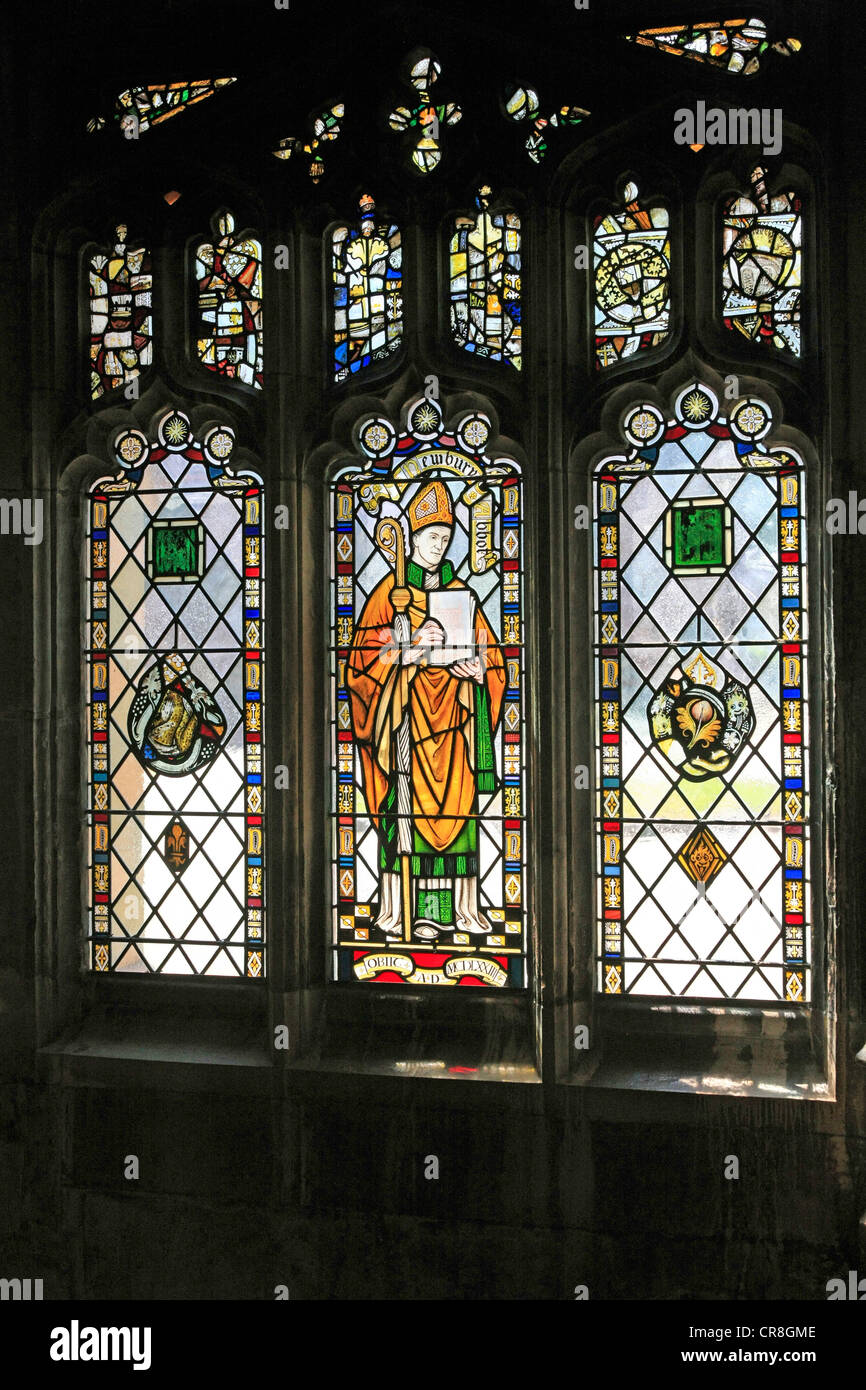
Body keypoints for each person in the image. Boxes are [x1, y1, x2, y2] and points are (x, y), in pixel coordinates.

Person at [347, 480, 505, 939]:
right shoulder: (388, 596)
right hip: (404, 727)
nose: (440, 546)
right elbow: (360, 667)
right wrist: (414, 648)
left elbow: (493, 658)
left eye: (446, 538)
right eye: (432, 536)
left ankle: (463, 912)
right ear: (412, 538)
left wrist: (479, 672)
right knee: (405, 817)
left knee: (460, 813)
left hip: (454, 727)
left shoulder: (463, 595)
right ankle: (398, 913)